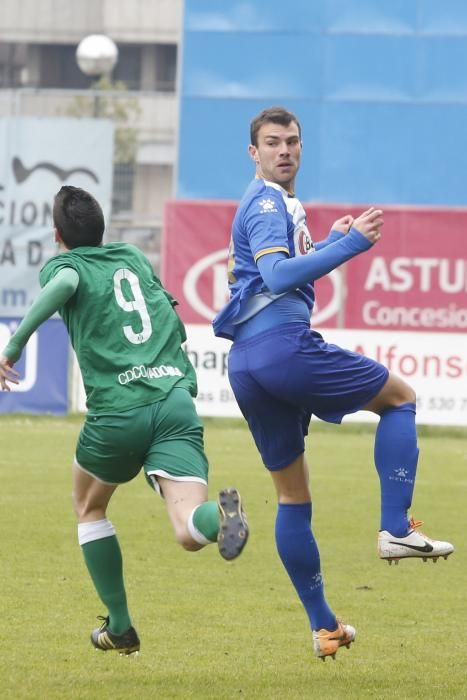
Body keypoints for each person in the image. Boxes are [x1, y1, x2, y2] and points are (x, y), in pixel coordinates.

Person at [212, 106, 453, 661]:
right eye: (272, 143)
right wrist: (349, 247)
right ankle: (395, 527)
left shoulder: (271, 205)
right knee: (401, 398)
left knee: (292, 496)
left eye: (292, 141)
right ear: (254, 153)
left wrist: (323, 242)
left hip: (246, 363)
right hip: (281, 348)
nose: (284, 151)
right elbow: (275, 278)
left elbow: (267, 273)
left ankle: (325, 627)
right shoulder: (269, 199)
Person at [0, 185, 248, 656]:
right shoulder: (132, 256)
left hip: (119, 411)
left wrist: (11, 347)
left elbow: (65, 286)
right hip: (173, 400)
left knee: (89, 508)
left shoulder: (66, 266)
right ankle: (222, 516)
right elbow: (169, 317)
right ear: (102, 229)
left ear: (57, 235)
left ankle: (120, 625)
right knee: (188, 530)